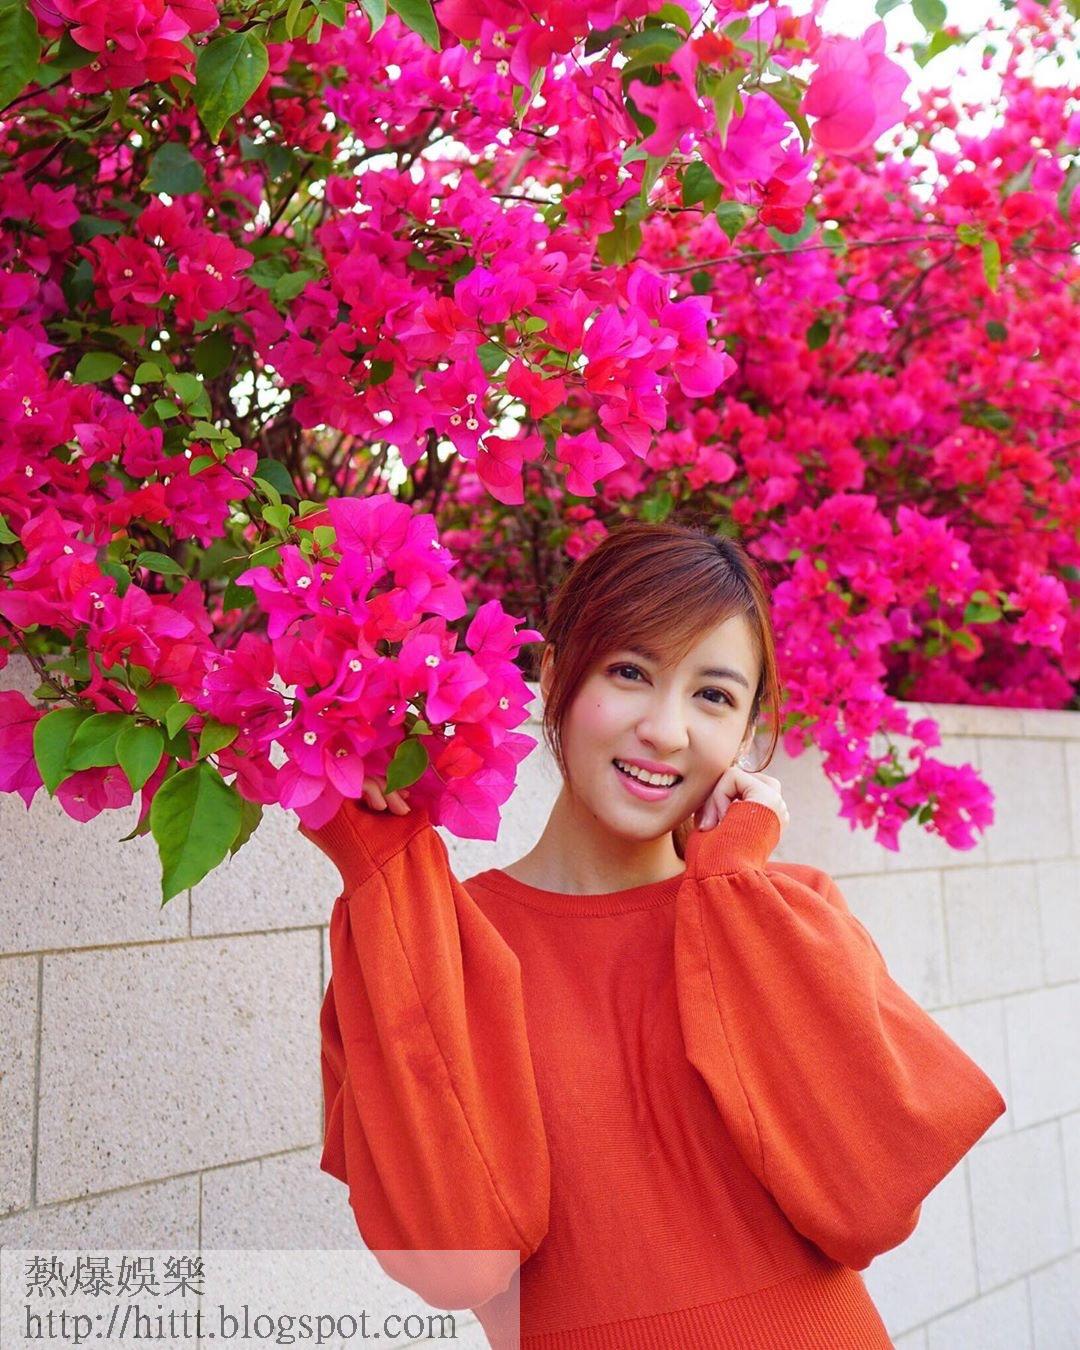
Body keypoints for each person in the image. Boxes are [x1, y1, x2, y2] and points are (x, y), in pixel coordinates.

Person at [298, 520, 1006, 1349]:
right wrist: (383, 873)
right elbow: (458, 1261)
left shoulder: (783, 910)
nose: (667, 730)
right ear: (556, 676)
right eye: (631, 672)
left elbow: (870, 1205)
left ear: (745, 737)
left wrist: (732, 879)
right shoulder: (438, 943)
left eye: (714, 696)